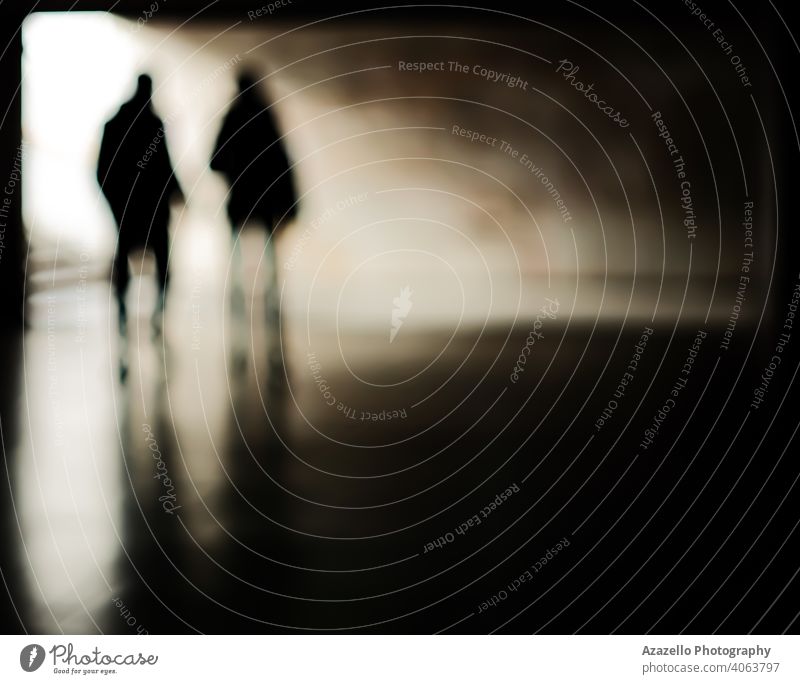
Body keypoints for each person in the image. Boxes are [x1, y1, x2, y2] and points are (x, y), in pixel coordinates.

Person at [97, 74, 183, 335]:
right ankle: (158, 312)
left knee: (124, 258)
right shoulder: (153, 125)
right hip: (153, 210)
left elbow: (103, 172)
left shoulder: (115, 125)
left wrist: (116, 204)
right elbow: (165, 167)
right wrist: (177, 193)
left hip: (128, 210)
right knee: (162, 261)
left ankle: (123, 310)